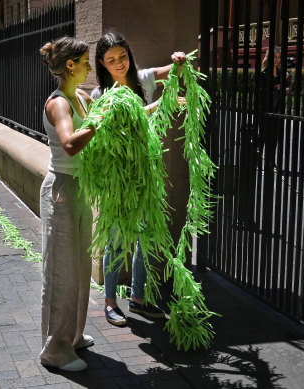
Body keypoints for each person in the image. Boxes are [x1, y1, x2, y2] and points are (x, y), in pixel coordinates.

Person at [91, 31, 186, 327]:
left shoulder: (143, 79)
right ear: (102, 64)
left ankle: (138, 299)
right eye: (111, 60)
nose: (119, 63)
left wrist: (179, 60)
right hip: (117, 179)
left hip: (146, 172)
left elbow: (175, 70)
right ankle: (109, 303)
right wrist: (163, 103)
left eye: (123, 56)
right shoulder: (99, 96)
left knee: (145, 238)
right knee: (116, 241)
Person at [39, 36, 96, 372]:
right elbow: (70, 144)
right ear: (71, 65)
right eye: (86, 61)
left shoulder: (82, 96)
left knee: (80, 266)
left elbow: (120, 112)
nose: (91, 66)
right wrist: (98, 124)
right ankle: (55, 350)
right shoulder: (59, 103)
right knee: (61, 272)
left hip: (81, 188)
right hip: (61, 190)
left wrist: (162, 105)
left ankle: (72, 336)